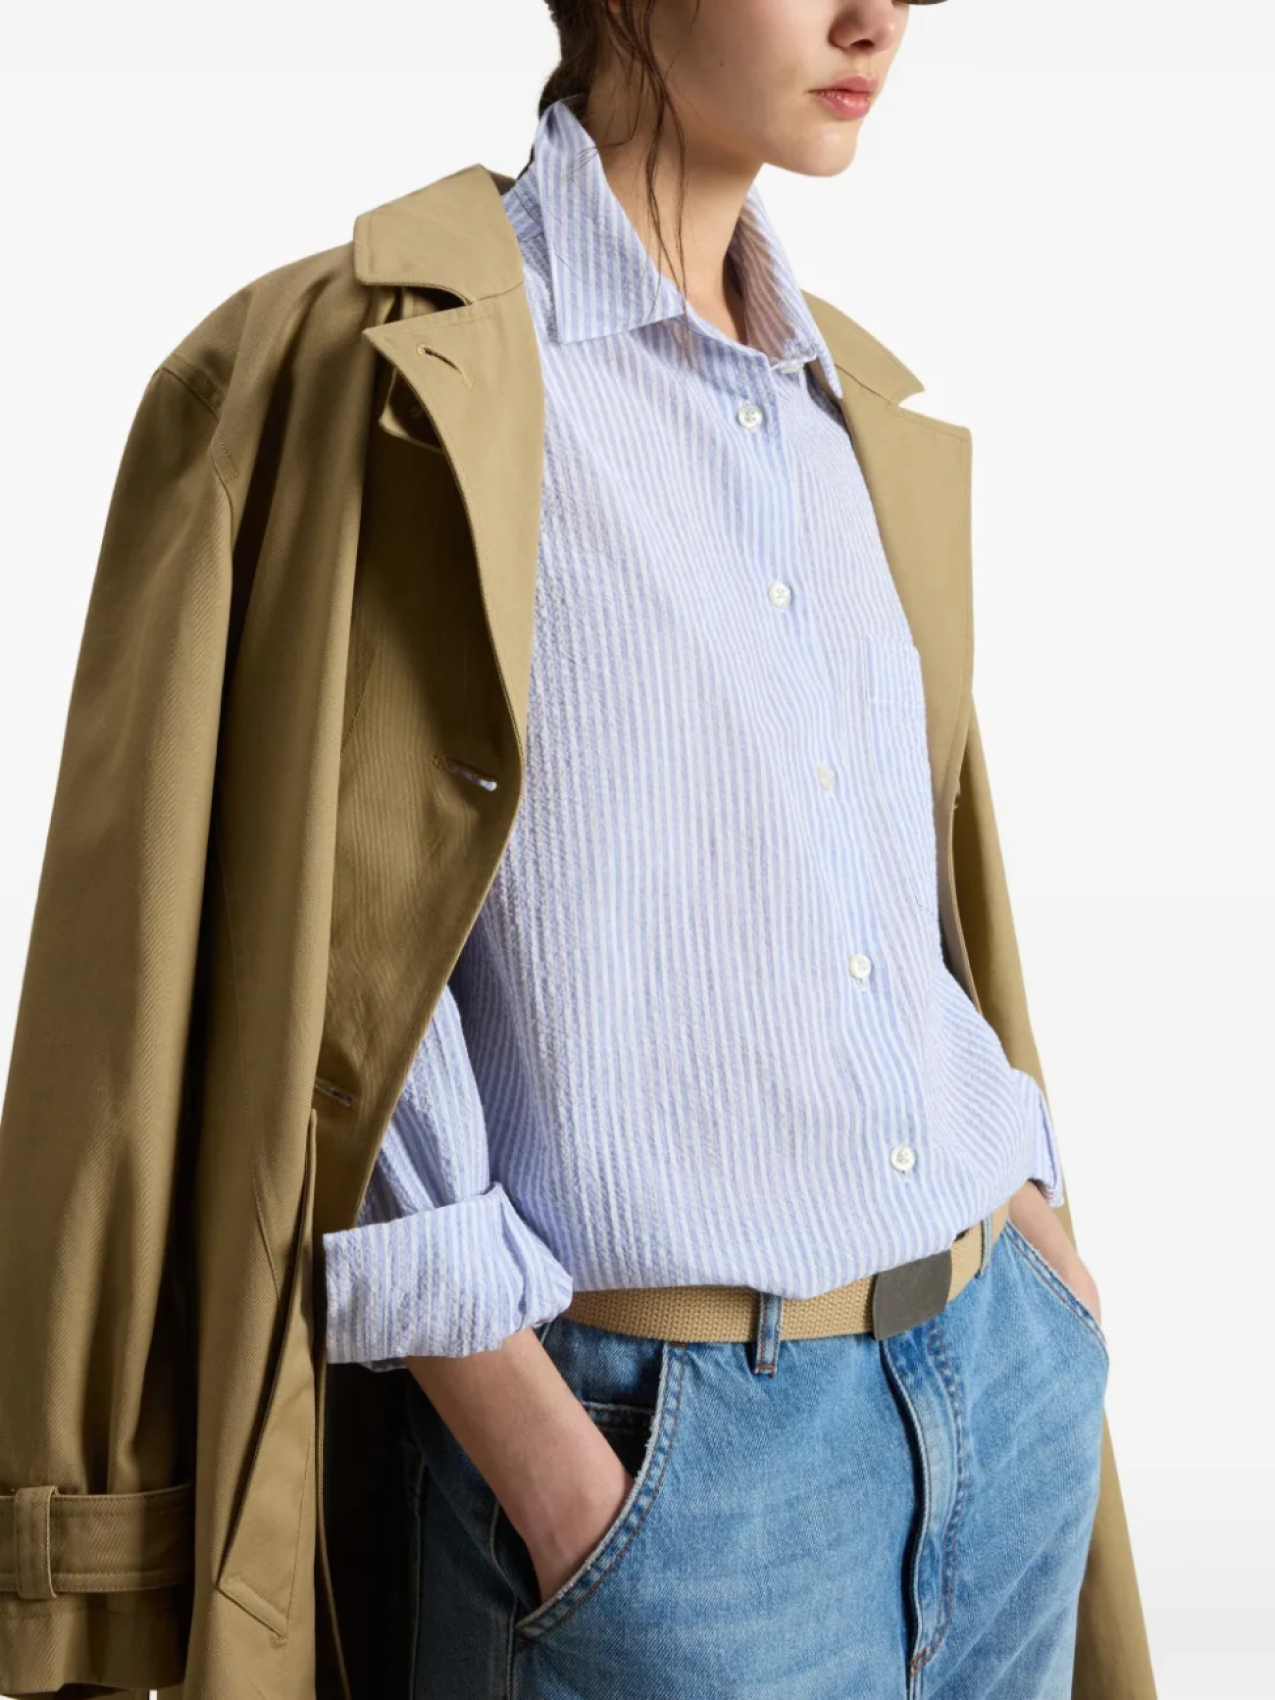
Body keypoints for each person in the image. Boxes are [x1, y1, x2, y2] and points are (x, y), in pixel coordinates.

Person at [312, 3, 1141, 1698]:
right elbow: (345, 949)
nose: (876, 18)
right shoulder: (437, 371)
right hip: (666, 1477)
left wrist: (1030, 1230)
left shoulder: (836, 399)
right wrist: (545, 1457)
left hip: (994, 1382)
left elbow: (888, 896)